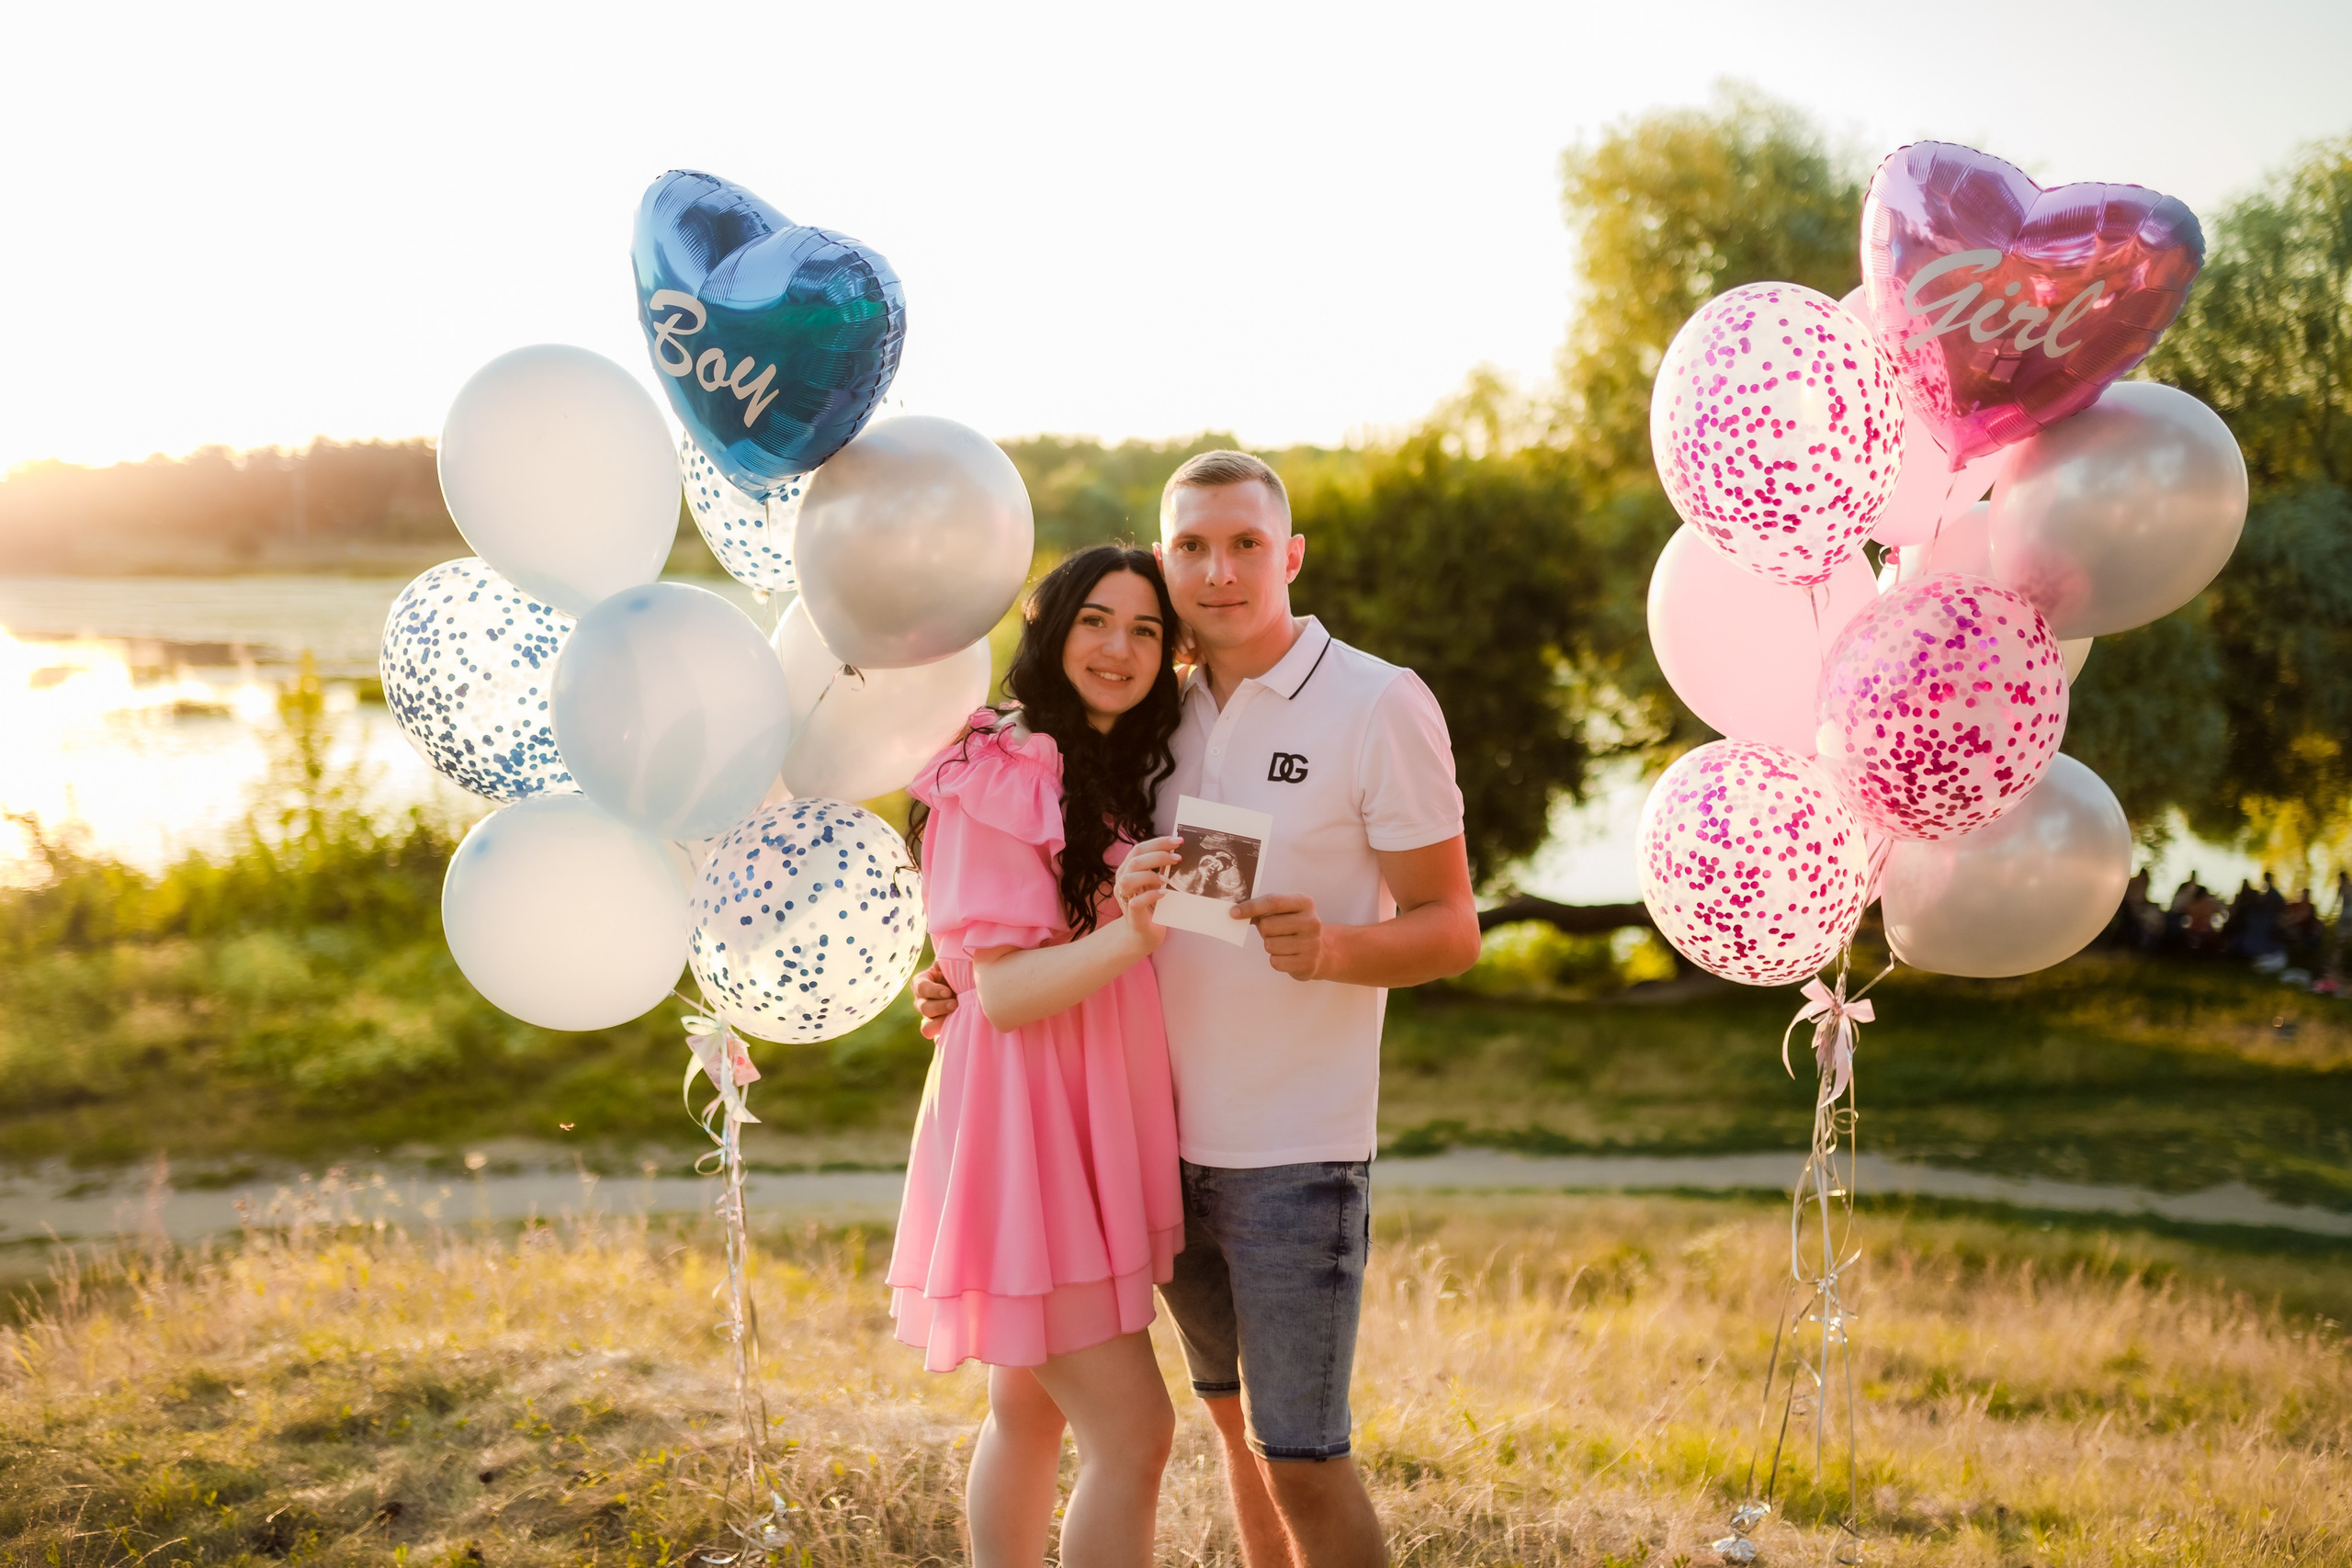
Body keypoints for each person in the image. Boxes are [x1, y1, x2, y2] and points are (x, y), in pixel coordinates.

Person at [919, 451, 1482, 1568]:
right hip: (1141, 1146)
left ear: (1291, 556)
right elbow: (1049, 899)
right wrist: (956, 974)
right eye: (1191, 548)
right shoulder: (1151, 718)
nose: (1219, 571)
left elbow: (1453, 926)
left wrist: (1335, 949)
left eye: (1245, 545)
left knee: (1300, 1458)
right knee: (1216, 1429)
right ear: (1167, 562)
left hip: (1292, 1153)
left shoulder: (1376, 701)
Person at [888, 545, 1189, 1568]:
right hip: (1030, 1123)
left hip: (1068, 1105)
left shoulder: (1100, 762)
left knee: (1029, 1408)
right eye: (1095, 620)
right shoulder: (1009, 762)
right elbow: (1008, 991)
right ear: (1051, 628)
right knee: (1134, 1434)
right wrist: (1132, 937)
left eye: (1145, 630)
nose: (1118, 648)